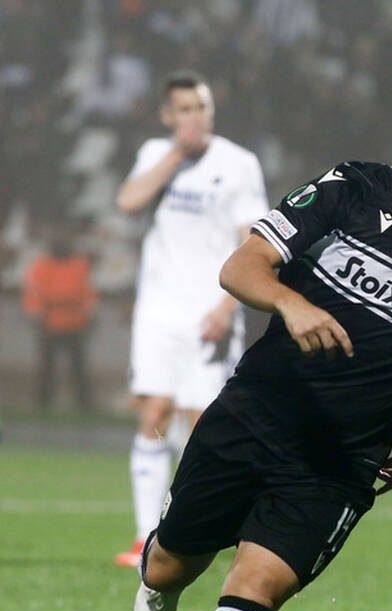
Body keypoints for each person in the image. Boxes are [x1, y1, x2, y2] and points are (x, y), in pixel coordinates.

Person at [130, 77, 392, 611]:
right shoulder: (349, 191)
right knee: (170, 565)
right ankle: (158, 572)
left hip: (339, 462)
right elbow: (241, 267)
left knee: (252, 596)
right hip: (252, 417)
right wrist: (292, 303)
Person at [114, 70, 268, 568]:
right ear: (167, 116)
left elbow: (252, 243)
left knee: (202, 425)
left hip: (210, 314)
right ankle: (144, 536)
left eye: (201, 108)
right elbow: (128, 201)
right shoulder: (156, 156)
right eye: (184, 110)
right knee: (155, 415)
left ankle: (189, 532)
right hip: (159, 313)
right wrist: (176, 155)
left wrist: (227, 307)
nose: (195, 118)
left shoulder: (239, 163)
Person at [21, 220, 99, 410]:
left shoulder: (79, 265)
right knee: (46, 367)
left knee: (78, 368)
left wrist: (89, 314)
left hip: (75, 323)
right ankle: (43, 403)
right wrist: (37, 315)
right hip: (49, 323)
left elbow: (88, 293)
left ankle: (84, 403)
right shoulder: (41, 266)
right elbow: (34, 294)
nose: (61, 247)